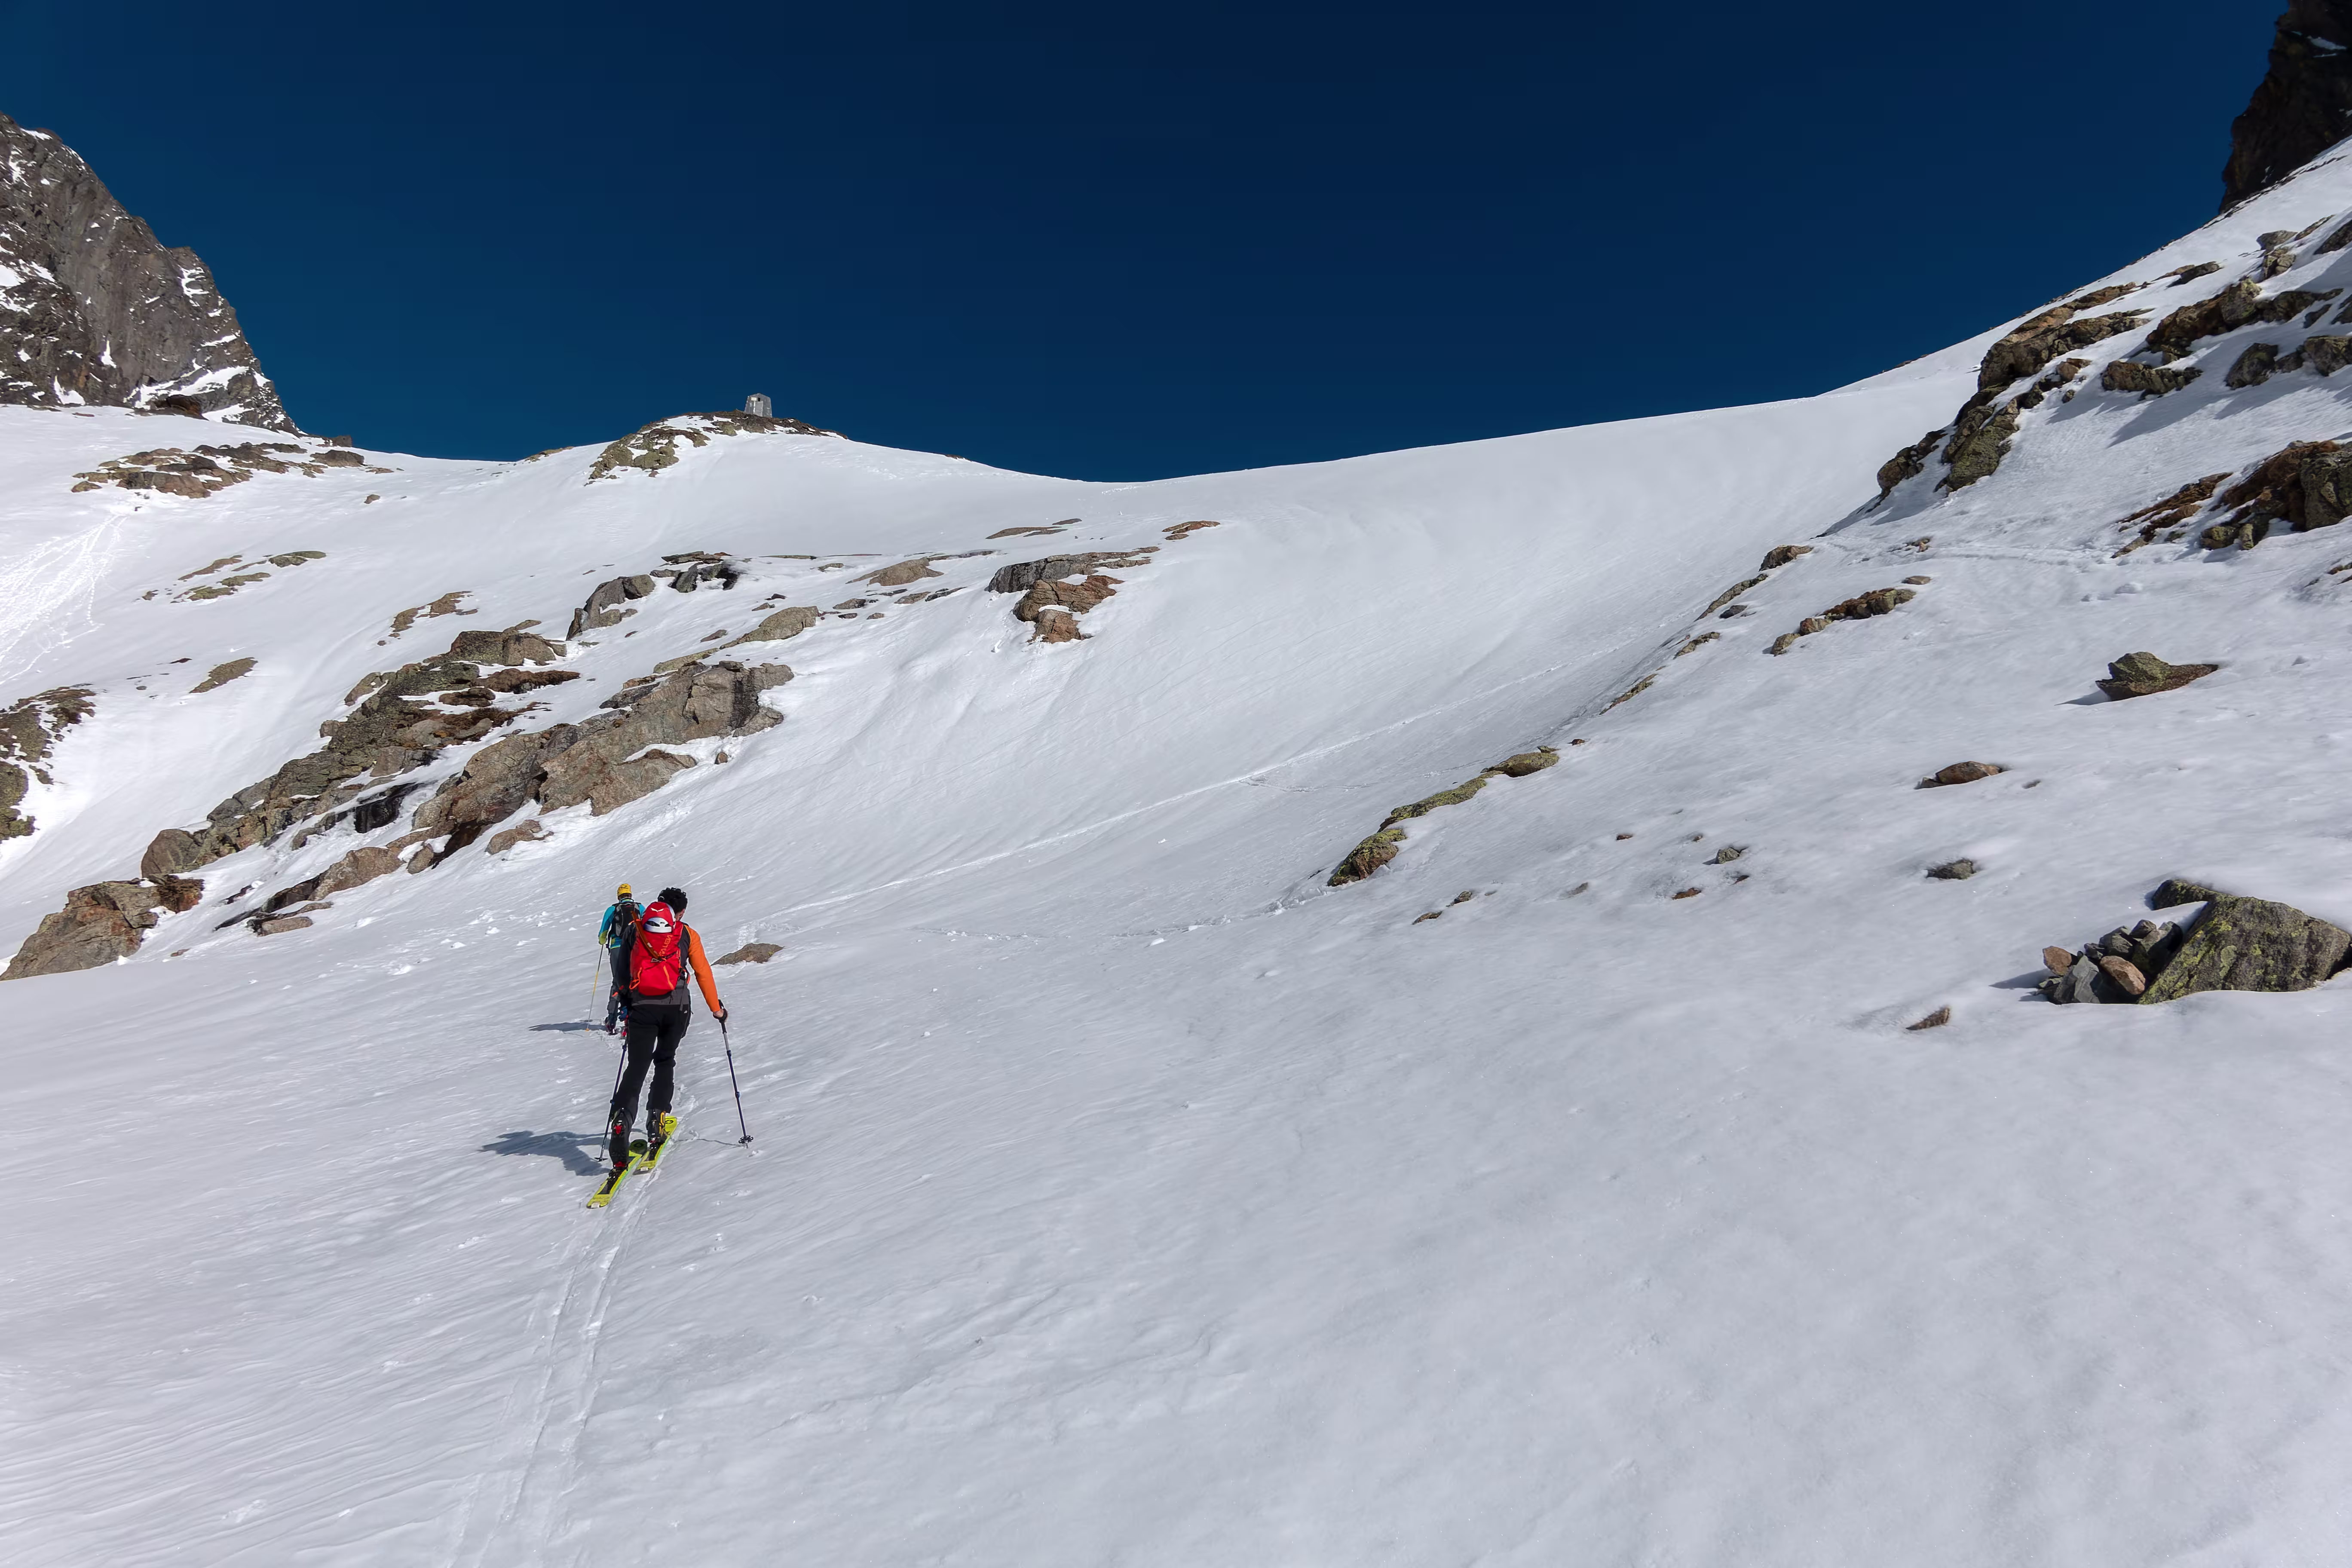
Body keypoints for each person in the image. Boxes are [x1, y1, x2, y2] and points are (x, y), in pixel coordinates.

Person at [606, 886, 726, 1169]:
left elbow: (622, 973)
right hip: (676, 1008)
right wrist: (716, 1009)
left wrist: (627, 1001)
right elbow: (702, 972)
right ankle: (657, 1117)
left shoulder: (635, 930)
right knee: (665, 1061)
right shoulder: (686, 934)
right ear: (681, 911)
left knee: (636, 1067)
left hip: (641, 1009)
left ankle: (623, 1118)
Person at [597, 883, 642, 1034]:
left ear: (619, 896)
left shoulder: (612, 910)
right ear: (630, 895)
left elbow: (603, 933)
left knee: (618, 981)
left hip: (617, 948)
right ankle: (628, 1015)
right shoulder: (640, 908)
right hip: (635, 949)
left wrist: (603, 940)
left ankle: (611, 1018)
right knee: (633, 980)